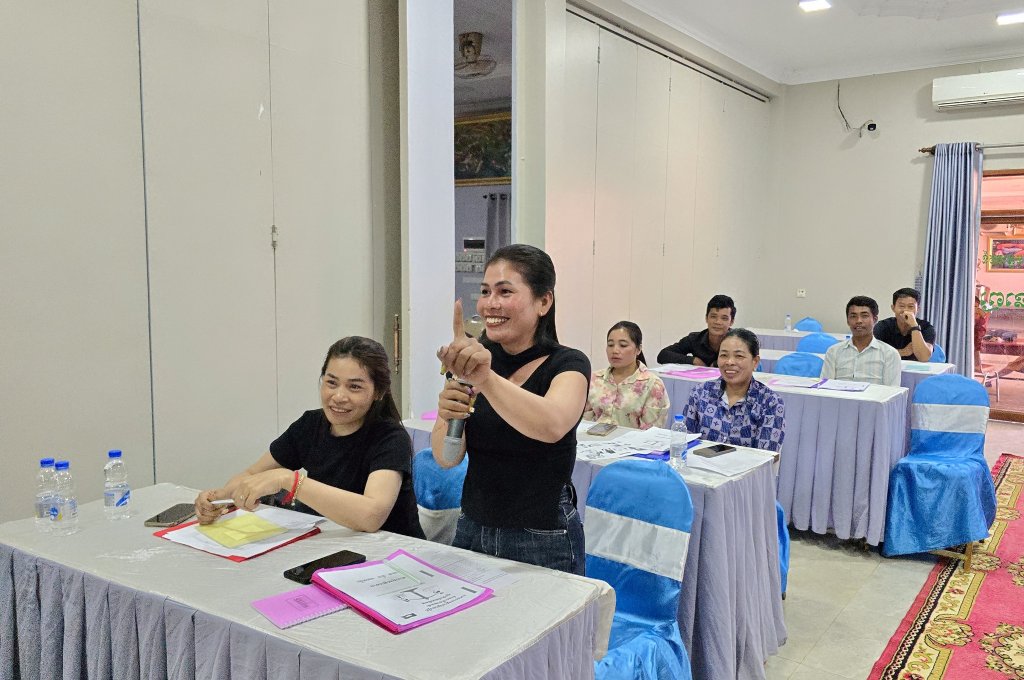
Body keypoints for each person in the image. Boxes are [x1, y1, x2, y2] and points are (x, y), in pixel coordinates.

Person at [433, 244, 590, 575]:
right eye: (485, 291)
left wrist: (486, 379)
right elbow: (446, 458)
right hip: (473, 526)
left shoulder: (568, 364)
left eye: (505, 292)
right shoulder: (474, 360)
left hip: (542, 536)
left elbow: (552, 424)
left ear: (543, 301)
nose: (490, 303)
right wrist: (447, 414)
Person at [194, 336, 424, 538]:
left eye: (354, 387)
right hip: (332, 545)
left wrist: (290, 481)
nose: (338, 396)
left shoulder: (391, 438)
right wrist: (217, 499)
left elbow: (371, 516)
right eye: (331, 382)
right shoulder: (310, 425)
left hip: (392, 554)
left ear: (378, 392)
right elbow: (251, 474)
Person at [684, 328, 785, 453]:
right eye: (724, 355)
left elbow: (765, 456)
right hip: (700, 464)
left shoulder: (769, 402)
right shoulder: (700, 393)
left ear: (755, 362)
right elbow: (684, 442)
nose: (730, 362)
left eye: (739, 356)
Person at [584, 321, 669, 430]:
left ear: (638, 349)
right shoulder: (594, 379)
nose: (615, 350)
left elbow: (651, 431)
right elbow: (583, 422)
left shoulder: (653, 384)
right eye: (610, 345)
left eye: (623, 345)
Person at [820, 296, 901, 386]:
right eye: (853, 316)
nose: (858, 321)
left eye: (864, 316)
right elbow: (824, 387)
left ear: (875, 320)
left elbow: (892, 391)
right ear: (848, 321)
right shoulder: (833, 352)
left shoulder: (889, 354)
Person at [657, 294, 736, 367]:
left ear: (731, 322)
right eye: (713, 316)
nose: (718, 322)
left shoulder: (738, 341)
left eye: (724, 318)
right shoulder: (695, 339)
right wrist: (693, 360)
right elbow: (663, 355)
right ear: (706, 318)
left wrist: (715, 364)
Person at [873, 288, 935, 361]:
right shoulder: (882, 326)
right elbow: (873, 354)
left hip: (915, 368)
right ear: (893, 308)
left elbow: (924, 357)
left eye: (911, 307)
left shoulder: (926, 327)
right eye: (901, 306)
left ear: (918, 309)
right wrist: (902, 352)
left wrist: (914, 326)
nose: (906, 311)